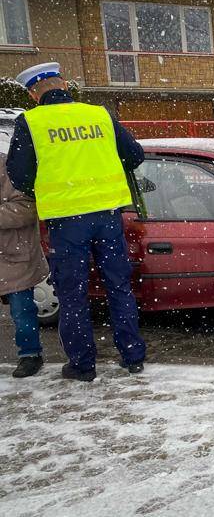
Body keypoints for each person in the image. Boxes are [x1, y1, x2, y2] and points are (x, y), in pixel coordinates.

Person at [6, 62, 147, 382]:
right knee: (118, 287)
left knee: (73, 294)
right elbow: (134, 155)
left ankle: (83, 365)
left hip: (67, 222)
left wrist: (54, 185)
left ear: (33, 93)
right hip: (108, 215)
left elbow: (20, 176)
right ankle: (133, 356)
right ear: (65, 86)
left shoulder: (31, 121)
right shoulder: (99, 114)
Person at [0, 140, 49, 378]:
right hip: (10, 253)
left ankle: (30, 355)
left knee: (22, 311)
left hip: (13, 255)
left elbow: (28, 209)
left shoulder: (9, 170)